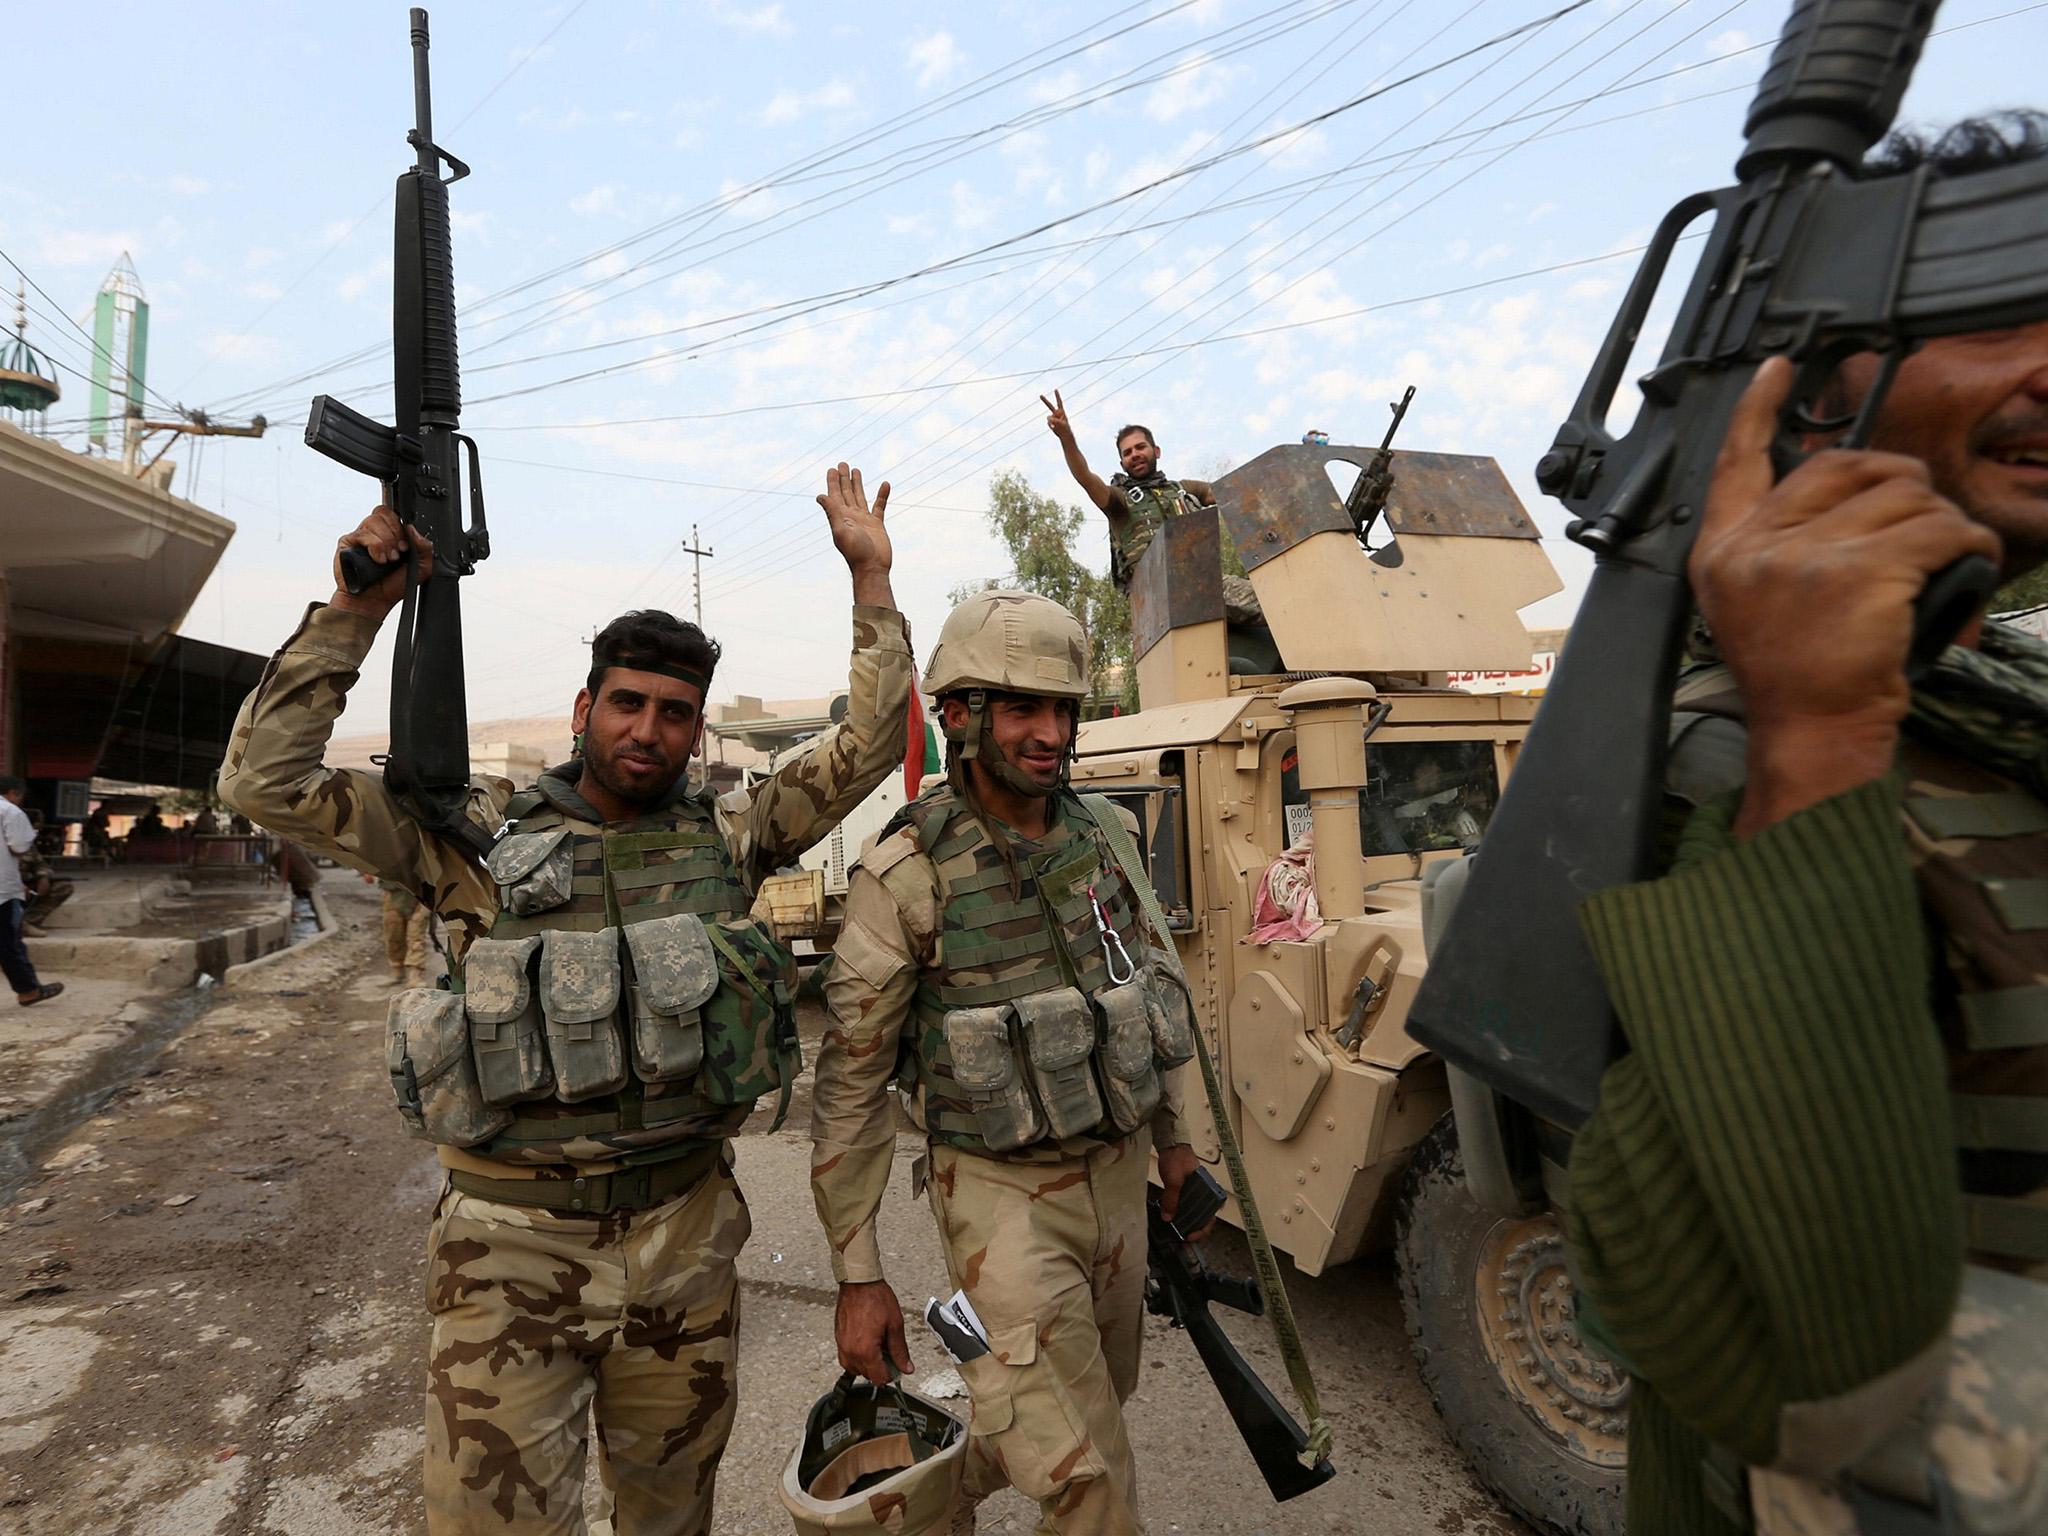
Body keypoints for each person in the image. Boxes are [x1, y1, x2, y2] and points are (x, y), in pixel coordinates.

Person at [218, 463, 911, 1536]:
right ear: (586, 706)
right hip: (509, 1255)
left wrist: (869, 581)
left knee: (669, 1521)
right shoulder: (473, 839)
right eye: (627, 704)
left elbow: (866, 748)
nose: (649, 730)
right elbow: (261, 783)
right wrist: (356, 608)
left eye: (675, 713)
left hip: (681, 1251)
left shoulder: (726, 839)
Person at [1559, 113, 2048, 1534]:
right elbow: (1780, 1361)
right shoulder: (1730, 748)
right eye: (1990, 323)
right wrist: (1818, 736)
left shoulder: (1997, 683)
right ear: (1811, 398)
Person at [809, 589, 1205, 1535]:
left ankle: (919, 1497)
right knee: (1088, 1479)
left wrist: (1177, 1145)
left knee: (1083, 1409)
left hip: (1114, 1188)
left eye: (1062, 708)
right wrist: (859, 1275)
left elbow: (1146, 999)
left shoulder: (1105, 836)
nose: (1049, 733)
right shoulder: (907, 872)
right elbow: (851, 1090)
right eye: (1022, 708)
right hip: (999, 1202)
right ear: (959, 714)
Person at [1041, 390, 1214, 592]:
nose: (1135, 454)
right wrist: (1066, 437)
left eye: (1140, 447)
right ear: (1122, 464)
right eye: (1128, 452)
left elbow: (1229, 492)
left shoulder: (1183, 489)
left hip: (1200, 580)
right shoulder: (1119, 499)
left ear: (1156, 451)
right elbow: (1085, 477)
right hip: (1153, 593)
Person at [0, 778, 62, 1005]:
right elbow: (20, 847)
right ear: (14, 793)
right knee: (9, 945)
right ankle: (28, 990)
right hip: (3, 891)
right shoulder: (10, 812)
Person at [371, 875, 434, 986]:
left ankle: (415, 975)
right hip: (392, 892)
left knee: (416, 936)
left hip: (421, 892)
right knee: (393, 935)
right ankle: (397, 971)